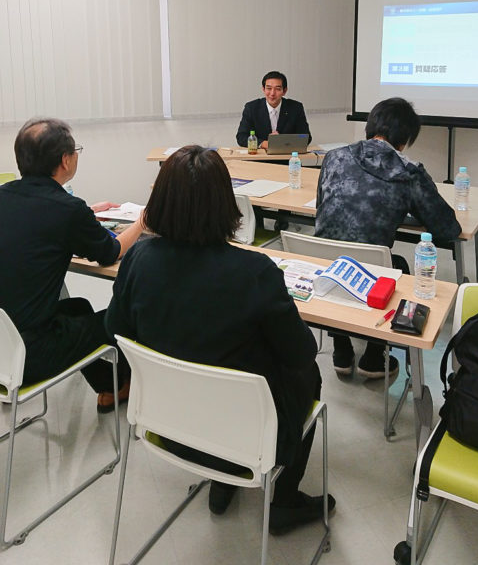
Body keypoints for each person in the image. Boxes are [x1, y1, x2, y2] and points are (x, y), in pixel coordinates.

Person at [105, 145, 334, 534]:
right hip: (247, 437)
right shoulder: (254, 271)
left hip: (168, 426)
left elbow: (116, 331)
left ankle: (223, 481)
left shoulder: (138, 259)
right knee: (307, 374)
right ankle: (284, 500)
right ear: (226, 205)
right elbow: (301, 351)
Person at [0, 117, 145, 412]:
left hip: (5, 340)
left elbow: (34, 224)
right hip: (28, 355)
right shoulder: (66, 209)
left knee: (77, 307)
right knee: (121, 315)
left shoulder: (5, 195)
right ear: (65, 160)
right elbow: (111, 251)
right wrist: (143, 221)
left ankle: (109, 388)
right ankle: (127, 386)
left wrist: (87, 214)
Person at [315, 97, 462, 377]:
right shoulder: (407, 172)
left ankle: (342, 351)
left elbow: (324, 207)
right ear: (405, 138)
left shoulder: (334, 157)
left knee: (344, 252)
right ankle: (374, 357)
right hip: (372, 271)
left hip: (324, 266)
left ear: (370, 127)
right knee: (399, 267)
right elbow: (446, 228)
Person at [236, 71, 312, 149]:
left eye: (277, 89)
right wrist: (264, 143)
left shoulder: (295, 108)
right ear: (263, 89)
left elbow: (306, 137)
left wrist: (280, 141)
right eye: (268, 88)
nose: (272, 93)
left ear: (284, 91)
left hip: (286, 157)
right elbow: (241, 137)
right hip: (260, 158)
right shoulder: (251, 108)